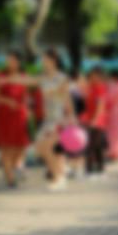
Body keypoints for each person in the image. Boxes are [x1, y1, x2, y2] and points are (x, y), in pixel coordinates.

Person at [0, 51, 31, 187]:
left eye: (13, 60)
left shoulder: (23, 77)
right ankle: (9, 177)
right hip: (4, 115)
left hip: (19, 115)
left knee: (20, 147)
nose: (10, 63)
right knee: (6, 147)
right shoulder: (0, 76)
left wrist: (27, 110)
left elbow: (26, 96)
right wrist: (7, 101)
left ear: (19, 62)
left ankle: (13, 168)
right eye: (8, 60)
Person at [35, 50, 71, 190]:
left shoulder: (62, 77)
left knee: (46, 147)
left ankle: (58, 177)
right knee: (41, 148)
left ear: (53, 60)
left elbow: (67, 99)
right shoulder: (44, 77)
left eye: (45, 59)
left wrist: (71, 117)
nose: (43, 62)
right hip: (48, 119)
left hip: (57, 119)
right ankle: (59, 176)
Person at [82, 65, 109, 178]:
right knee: (93, 145)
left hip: (98, 121)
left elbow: (100, 106)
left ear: (100, 76)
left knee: (93, 145)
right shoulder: (91, 87)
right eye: (91, 75)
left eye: (95, 76)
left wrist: (95, 120)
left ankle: (94, 169)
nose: (93, 78)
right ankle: (96, 169)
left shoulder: (100, 87)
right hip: (90, 119)